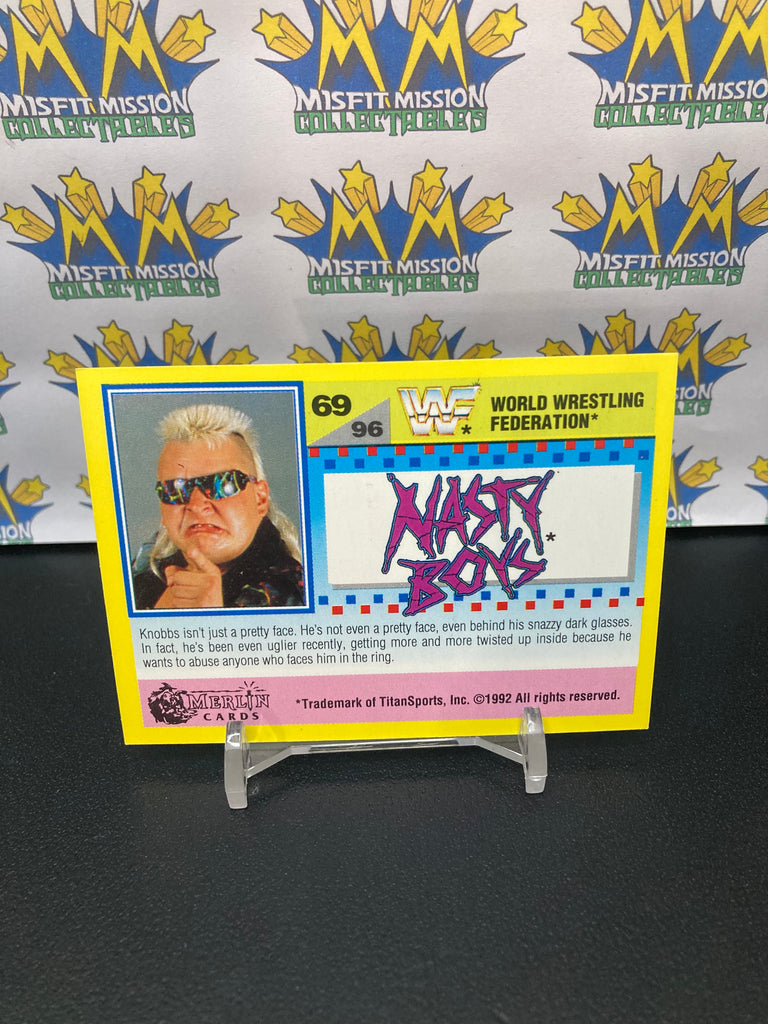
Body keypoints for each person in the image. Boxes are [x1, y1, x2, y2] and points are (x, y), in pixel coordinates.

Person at [132, 404, 304, 609]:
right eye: (175, 489)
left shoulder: (295, 594)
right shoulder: (140, 572)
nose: (196, 505)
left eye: (222, 484)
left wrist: (210, 616)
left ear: (260, 498)